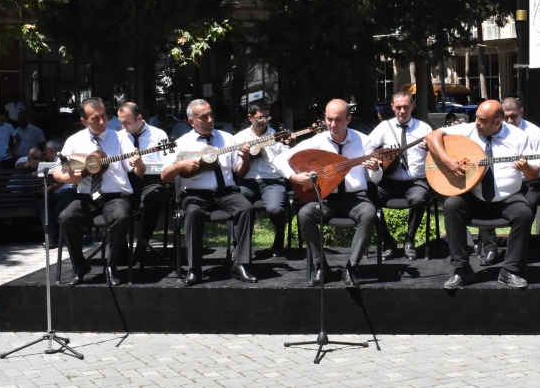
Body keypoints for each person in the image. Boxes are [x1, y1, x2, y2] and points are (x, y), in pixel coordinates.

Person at [424, 100, 538, 289]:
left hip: (507, 198)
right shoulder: (468, 130)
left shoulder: (518, 136)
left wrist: (526, 168)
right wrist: (447, 160)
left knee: (524, 213)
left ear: (498, 122)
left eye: (482, 120)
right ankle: (461, 269)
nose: (477, 122)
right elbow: (431, 136)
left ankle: (510, 271)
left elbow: (534, 174)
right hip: (473, 196)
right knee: (451, 205)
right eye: (476, 117)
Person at [275, 99, 382, 288]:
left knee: (369, 213)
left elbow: (376, 178)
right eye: (329, 119)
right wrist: (294, 177)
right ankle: (321, 266)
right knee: (305, 214)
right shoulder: (317, 141)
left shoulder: (364, 141)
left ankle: (350, 268)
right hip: (325, 198)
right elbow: (279, 159)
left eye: (338, 120)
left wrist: (376, 169)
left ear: (348, 119)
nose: (333, 124)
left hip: (355, 198)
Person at [160, 99, 257, 286]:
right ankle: (194, 268)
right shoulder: (182, 143)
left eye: (211, 115)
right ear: (191, 121)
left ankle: (241, 264)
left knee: (246, 208)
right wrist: (180, 165)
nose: (210, 119)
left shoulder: (228, 139)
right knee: (193, 212)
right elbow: (164, 176)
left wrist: (245, 159)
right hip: (196, 194)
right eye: (203, 117)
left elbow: (240, 172)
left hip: (226, 192)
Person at [54, 97, 143, 287]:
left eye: (104, 116)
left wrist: (139, 163)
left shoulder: (120, 137)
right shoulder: (74, 141)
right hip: (86, 196)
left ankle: (111, 265)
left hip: (115, 196)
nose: (102, 121)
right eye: (95, 118)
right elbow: (58, 169)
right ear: (84, 121)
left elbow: (138, 172)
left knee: (120, 216)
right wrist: (66, 177)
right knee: (66, 217)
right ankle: (80, 265)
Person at [475, 97, 540, 265]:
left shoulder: (534, 132)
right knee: (484, 195)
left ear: (521, 112)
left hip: (528, 182)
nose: (509, 120)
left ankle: (515, 251)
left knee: (525, 207)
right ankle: (490, 249)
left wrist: (529, 164)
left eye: (514, 116)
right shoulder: (489, 131)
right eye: (506, 117)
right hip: (499, 181)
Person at [367, 91, 433, 261]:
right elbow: (367, 146)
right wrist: (376, 160)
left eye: (406, 107)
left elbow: (438, 155)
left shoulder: (424, 129)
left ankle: (409, 240)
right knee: (368, 201)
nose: (402, 111)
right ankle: (388, 241)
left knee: (419, 199)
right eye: (398, 107)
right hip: (389, 181)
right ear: (392, 107)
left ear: (413, 105)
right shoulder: (384, 127)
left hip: (416, 181)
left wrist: (431, 150)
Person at [234, 100, 291, 257]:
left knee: (275, 209)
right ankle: (239, 247)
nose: (264, 121)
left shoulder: (277, 136)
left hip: (273, 182)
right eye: (260, 117)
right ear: (250, 117)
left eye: (267, 117)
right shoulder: (239, 138)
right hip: (247, 182)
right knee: (236, 205)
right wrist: (246, 158)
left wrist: (289, 146)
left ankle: (279, 235)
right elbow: (236, 168)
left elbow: (287, 161)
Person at [117, 102, 173, 245]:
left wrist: (144, 166)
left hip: (151, 181)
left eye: (126, 122)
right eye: (121, 122)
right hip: (126, 182)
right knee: (117, 204)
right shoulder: (118, 137)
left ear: (139, 118)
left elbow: (167, 161)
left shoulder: (158, 134)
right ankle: (122, 248)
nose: (122, 126)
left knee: (156, 196)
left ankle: (142, 243)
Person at [38, 140, 76, 247]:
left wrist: (48, 189)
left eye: (45, 152)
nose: (45, 154)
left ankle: (81, 234)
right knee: (43, 203)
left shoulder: (63, 159)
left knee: (58, 209)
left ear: (50, 151)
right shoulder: (52, 163)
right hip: (59, 194)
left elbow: (62, 180)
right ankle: (51, 238)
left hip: (71, 191)